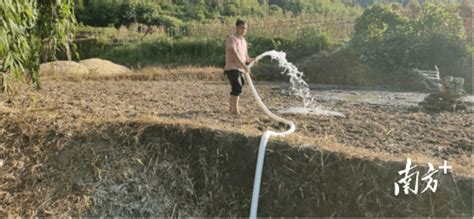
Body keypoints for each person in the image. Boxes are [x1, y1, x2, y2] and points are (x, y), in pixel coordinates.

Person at [224, 19, 255, 115]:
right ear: (236, 27)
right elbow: (234, 53)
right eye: (242, 28)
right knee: (237, 87)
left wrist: (253, 60)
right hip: (232, 67)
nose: (243, 30)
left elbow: (246, 57)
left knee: (238, 87)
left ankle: (231, 108)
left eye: (245, 28)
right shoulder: (231, 39)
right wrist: (244, 66)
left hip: (241, 68)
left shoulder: (244, 41)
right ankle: (235, 110)